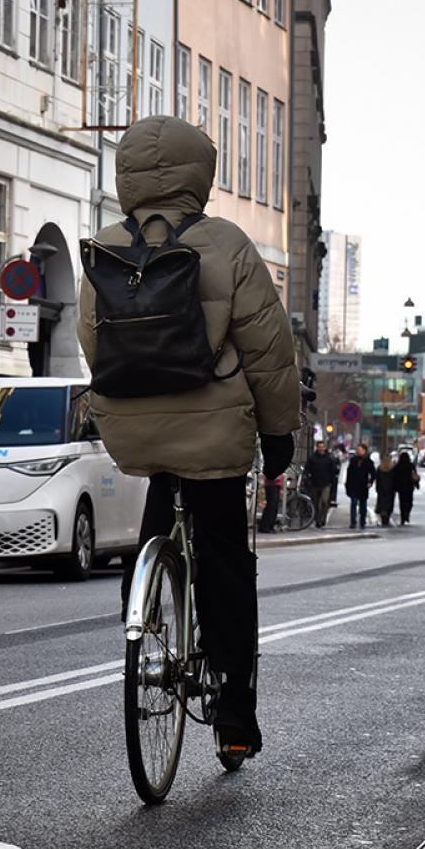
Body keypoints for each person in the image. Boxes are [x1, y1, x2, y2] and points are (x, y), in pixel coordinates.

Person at [78, 115, 300, 759]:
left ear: (128, 176)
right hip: (214, 431)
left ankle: (143, 602)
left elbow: (93, 343)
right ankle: (234, 713)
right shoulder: (226, 244)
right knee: (226, 560)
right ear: (199, 173)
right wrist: (279, 430)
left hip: (134, 431)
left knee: (160, 508)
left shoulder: (106, 245)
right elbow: (269, 350)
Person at [305, 440, 337, 528]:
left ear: (324, 448)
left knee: (324, 501)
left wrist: (332, 483)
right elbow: (307, 469)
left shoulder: (329, 458)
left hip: (326, 483)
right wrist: (309, 479)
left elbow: (333, 471)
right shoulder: (312, 458)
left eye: (322, 447)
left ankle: (323, 518)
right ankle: (317, 520)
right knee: (315, 503)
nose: (321, 448)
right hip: (315, 483)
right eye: (319, 447)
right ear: (317, 447)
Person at [345, 443, 377, 528]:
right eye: (358, 450)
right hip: (353, 485)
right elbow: (349, 473)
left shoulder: (369, 462)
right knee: (353, 504)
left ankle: (362, 521)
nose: (359, 452)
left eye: (361, 450)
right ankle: (353, 522)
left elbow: (373, 473)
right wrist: (347, 484)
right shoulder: (353, 460)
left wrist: (370, 482)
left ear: (365, 451)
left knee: (363, 504)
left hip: (363, 486)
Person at [393, 450, 419, 525]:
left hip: (401, 487)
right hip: (409, 487)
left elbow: (394, 477)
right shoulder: (411, 465)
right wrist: (416, 484)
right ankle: (407, 514)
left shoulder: (397, 466)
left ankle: (403, 517)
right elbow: (415, 475)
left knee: (402, 502)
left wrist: (394, 487)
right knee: (409, 502)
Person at [374, 457, 396, 526]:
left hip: (381, 489)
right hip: (390, 489)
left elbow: (377, 479)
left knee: (382, 503)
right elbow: (395, 479)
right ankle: (387, 516)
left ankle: (383, 515)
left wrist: (377, 488)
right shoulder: (393, 469)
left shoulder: (380, 468)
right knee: (389, 503)